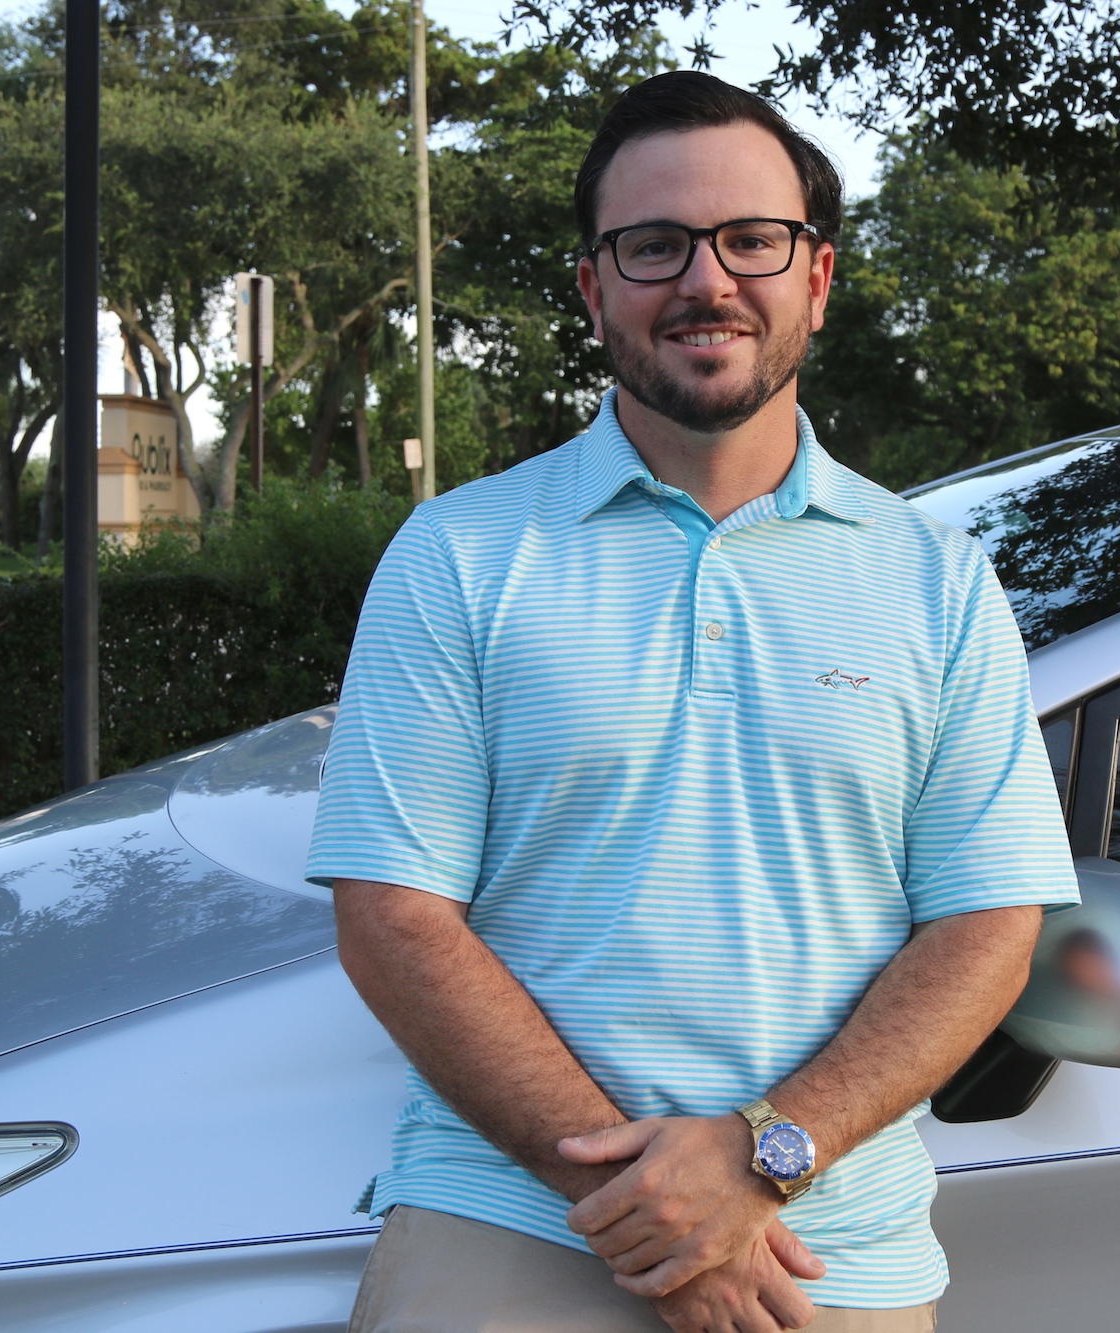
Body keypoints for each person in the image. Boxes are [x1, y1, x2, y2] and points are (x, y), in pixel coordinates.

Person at [307, 70, 1080, 1333]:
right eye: (654, 245)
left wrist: (764, 1156)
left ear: (815, 278)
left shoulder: (936, 579)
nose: (705, 280)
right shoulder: (458, 554)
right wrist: (650, 1212)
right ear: (593, 287)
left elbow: (987, 924)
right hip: (513, 1216)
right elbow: (393, 917)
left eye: (750, 240)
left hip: (830, 1253)